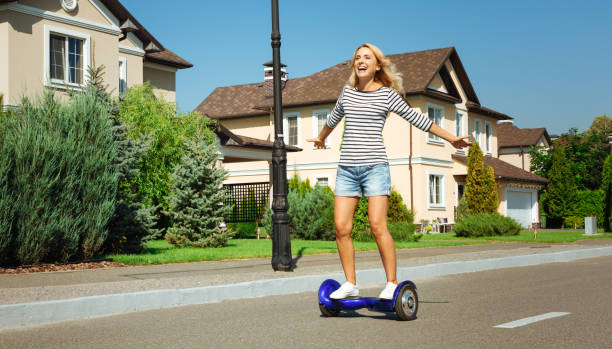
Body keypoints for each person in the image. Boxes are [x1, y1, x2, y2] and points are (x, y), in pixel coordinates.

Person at [306, 43, 471, 300]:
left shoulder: (387, 95)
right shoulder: (347, 93)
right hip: (347, 169)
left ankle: (392, 282)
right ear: (354, 65)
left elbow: (420, 120)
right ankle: (350, 282)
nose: (361, 61)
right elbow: (333, 119)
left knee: (377, 225)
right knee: (341, 227)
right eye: (357, 58)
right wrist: (320, 138)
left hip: (375, 168)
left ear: (377, 65)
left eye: (367, 58)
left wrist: (451, 138)